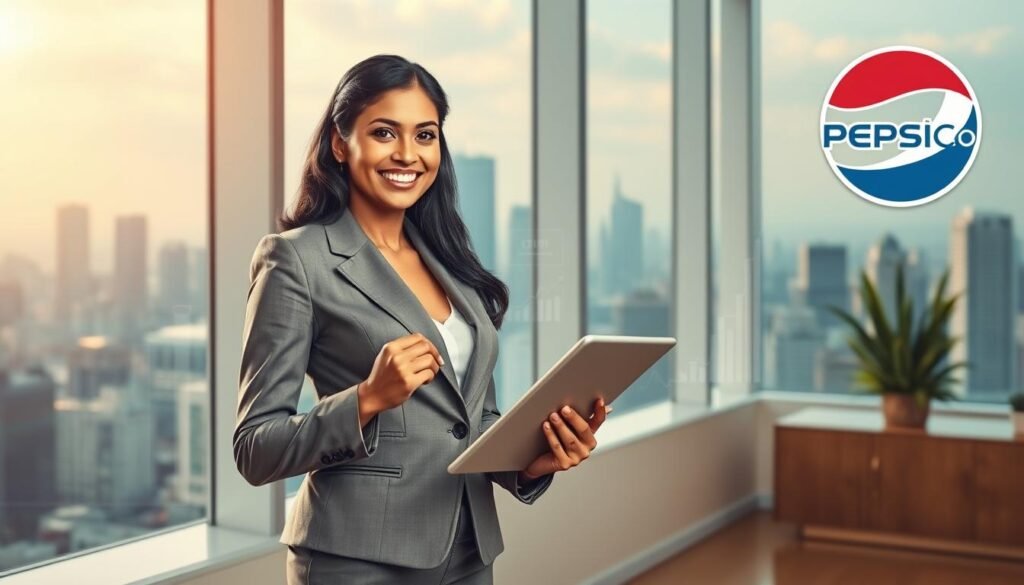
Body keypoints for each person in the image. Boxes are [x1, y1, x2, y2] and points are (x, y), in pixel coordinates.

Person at [233, 54, 611, 585]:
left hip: (468, 549)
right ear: (341, 144)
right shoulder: (296, 259)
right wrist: (367, 399)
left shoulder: (449, 259)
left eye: (425, 135)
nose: (408, 154)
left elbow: (469, 424)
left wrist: (530, 463)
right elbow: (255, 447)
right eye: (385, 132)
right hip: (356, 559)